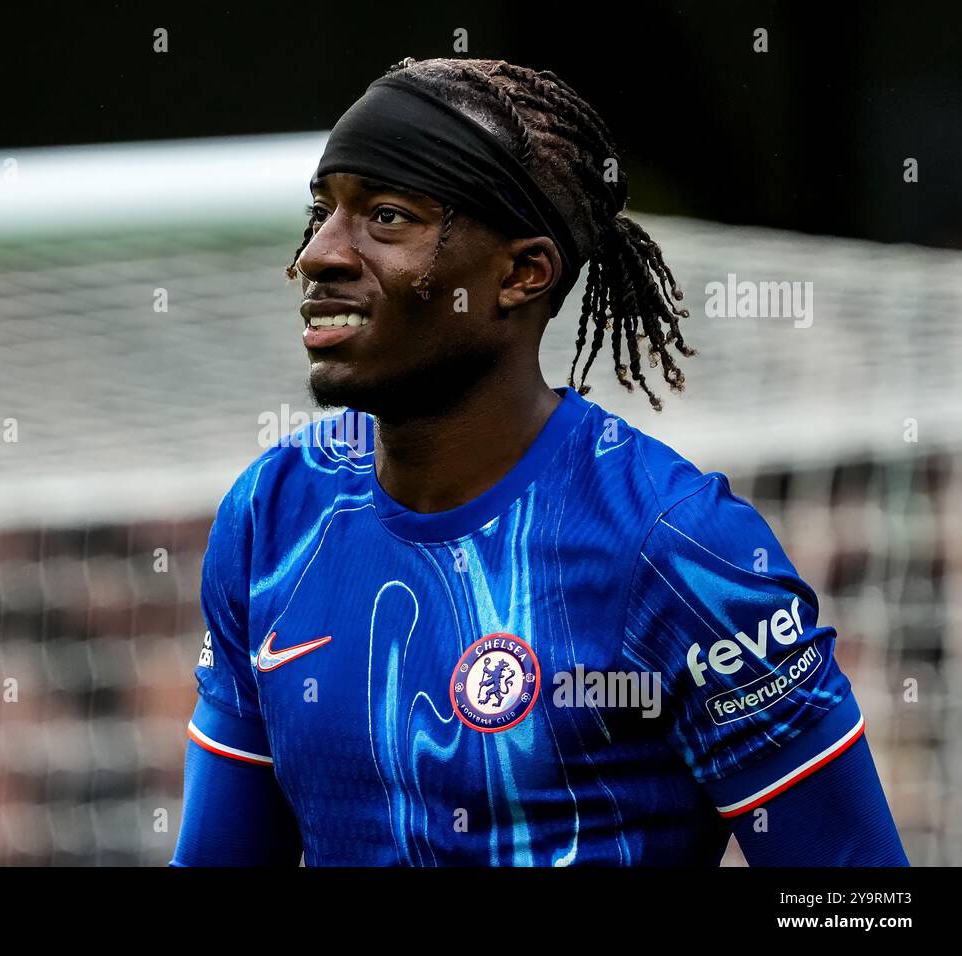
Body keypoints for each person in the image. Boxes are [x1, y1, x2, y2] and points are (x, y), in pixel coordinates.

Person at [172, 57, 908, 866]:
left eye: (385, 217)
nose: (321, 253)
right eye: (323, 211)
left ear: (522, 273)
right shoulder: (274, 515)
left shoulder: (679, 551)